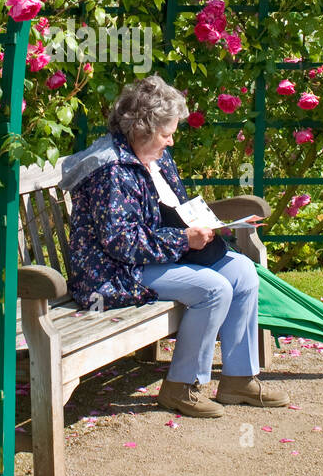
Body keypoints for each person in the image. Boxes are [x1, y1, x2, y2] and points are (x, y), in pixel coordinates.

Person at [58, 74, 290, 417]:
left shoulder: (155, 158)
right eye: (166, 134)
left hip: (154, 256)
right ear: (142, 129)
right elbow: (120, 242)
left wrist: (204, 227)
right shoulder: (110, 171)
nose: (171, 142)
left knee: (242, 272)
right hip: (113, 272)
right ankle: (181, 387)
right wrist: (183, 240)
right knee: (213, 289)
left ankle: (238, 379)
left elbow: (175, 210)